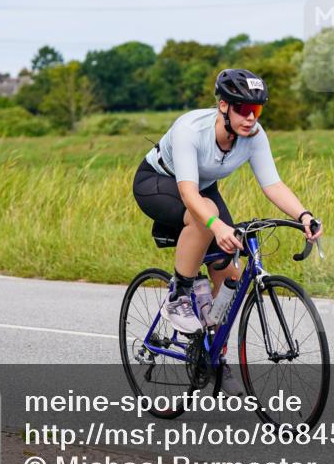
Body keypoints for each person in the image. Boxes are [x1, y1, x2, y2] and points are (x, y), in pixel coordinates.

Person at [132, 68, 323, 395]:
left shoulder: (254, 136)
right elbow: (190, 195)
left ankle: (213, 354)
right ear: (224, 106)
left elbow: (273, 184)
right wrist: (216, 224)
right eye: (244, 110)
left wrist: (304, 215)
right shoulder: (191, 129)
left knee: (231, 274)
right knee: (206, 218)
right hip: (159, 182)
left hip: (204, 188)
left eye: (257, 111)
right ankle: (178, 296)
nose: (251, 118)